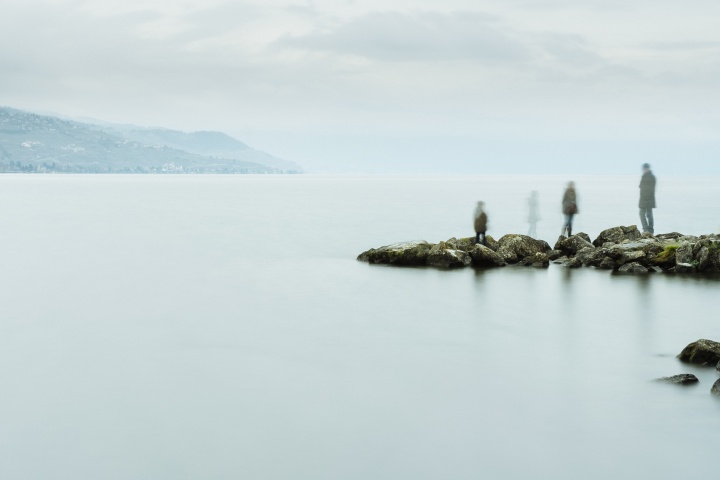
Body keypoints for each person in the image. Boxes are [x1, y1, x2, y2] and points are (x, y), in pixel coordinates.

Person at [639, 163, 656, 235]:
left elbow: (650, 189)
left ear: (648, 169)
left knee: (647, 214)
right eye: (644, 169)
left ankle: (648, 230)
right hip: (644, 199)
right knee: (645, 214)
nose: (644, 170)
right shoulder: (644, 176)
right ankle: (647, 230)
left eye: (645, 168)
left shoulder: (650, 177)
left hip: (648, 199)